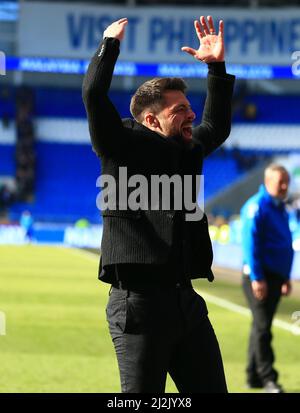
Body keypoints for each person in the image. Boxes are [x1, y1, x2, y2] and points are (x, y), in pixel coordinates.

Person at [83, 16, 235, 393]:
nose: (191, 114)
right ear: (151, 119)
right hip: (138, 305)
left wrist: (216, 68)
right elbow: (93, 96)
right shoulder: (119, 145)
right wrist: (108, 46)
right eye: (179, 110)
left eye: (188, 106)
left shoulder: (187, 150)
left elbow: (216, 125)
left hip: (187, 302)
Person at [241, 164, 294, 393]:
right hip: (260, 278)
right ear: (268, 180)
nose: (285, 187)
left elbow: (282, 244)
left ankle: (253, 376)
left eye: (287, 182)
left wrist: (285, 277)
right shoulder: (256, 207)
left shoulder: (279, 207)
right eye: (281, 181)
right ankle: (267, 378)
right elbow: (250, 245)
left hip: (274, 277)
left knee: (260, 327)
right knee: (264, 329)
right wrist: (257, 277)